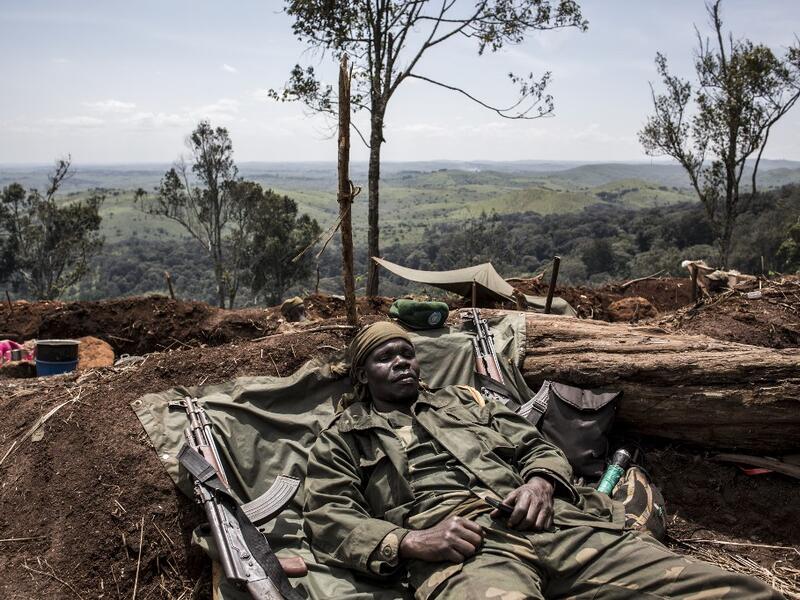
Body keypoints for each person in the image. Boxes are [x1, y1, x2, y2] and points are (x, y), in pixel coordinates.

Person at [304, 322, 783, 600]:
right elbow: (328, 516)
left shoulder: (469, 404)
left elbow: (538, 447)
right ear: (362, 376)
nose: (404, 362)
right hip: (467, 554)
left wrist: (539, 483)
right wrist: (410, 540)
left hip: (558, 525)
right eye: (386, 358)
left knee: (737, 593)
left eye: (408, 353)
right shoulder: (342, 438)